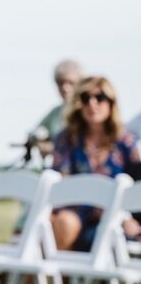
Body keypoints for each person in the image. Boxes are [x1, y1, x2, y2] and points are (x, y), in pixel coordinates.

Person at [51, 75, 141, 251]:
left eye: (100, 97)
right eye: (85, 98)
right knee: (64, 222)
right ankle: (56, 277)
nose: (92, 103)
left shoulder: (125, 141)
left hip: (114, 216)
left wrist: (123, 217)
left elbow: (136, 183)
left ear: (111, 102)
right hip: (75, 213)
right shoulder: (67, 139)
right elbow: (61, 187)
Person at [30, 59, 84, 157]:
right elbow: (34, 132)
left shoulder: (90, 112)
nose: (65, 88)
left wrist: (54, 148)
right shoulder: (56, 112)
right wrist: (39, 141)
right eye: (61, 83)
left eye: (71, 83)